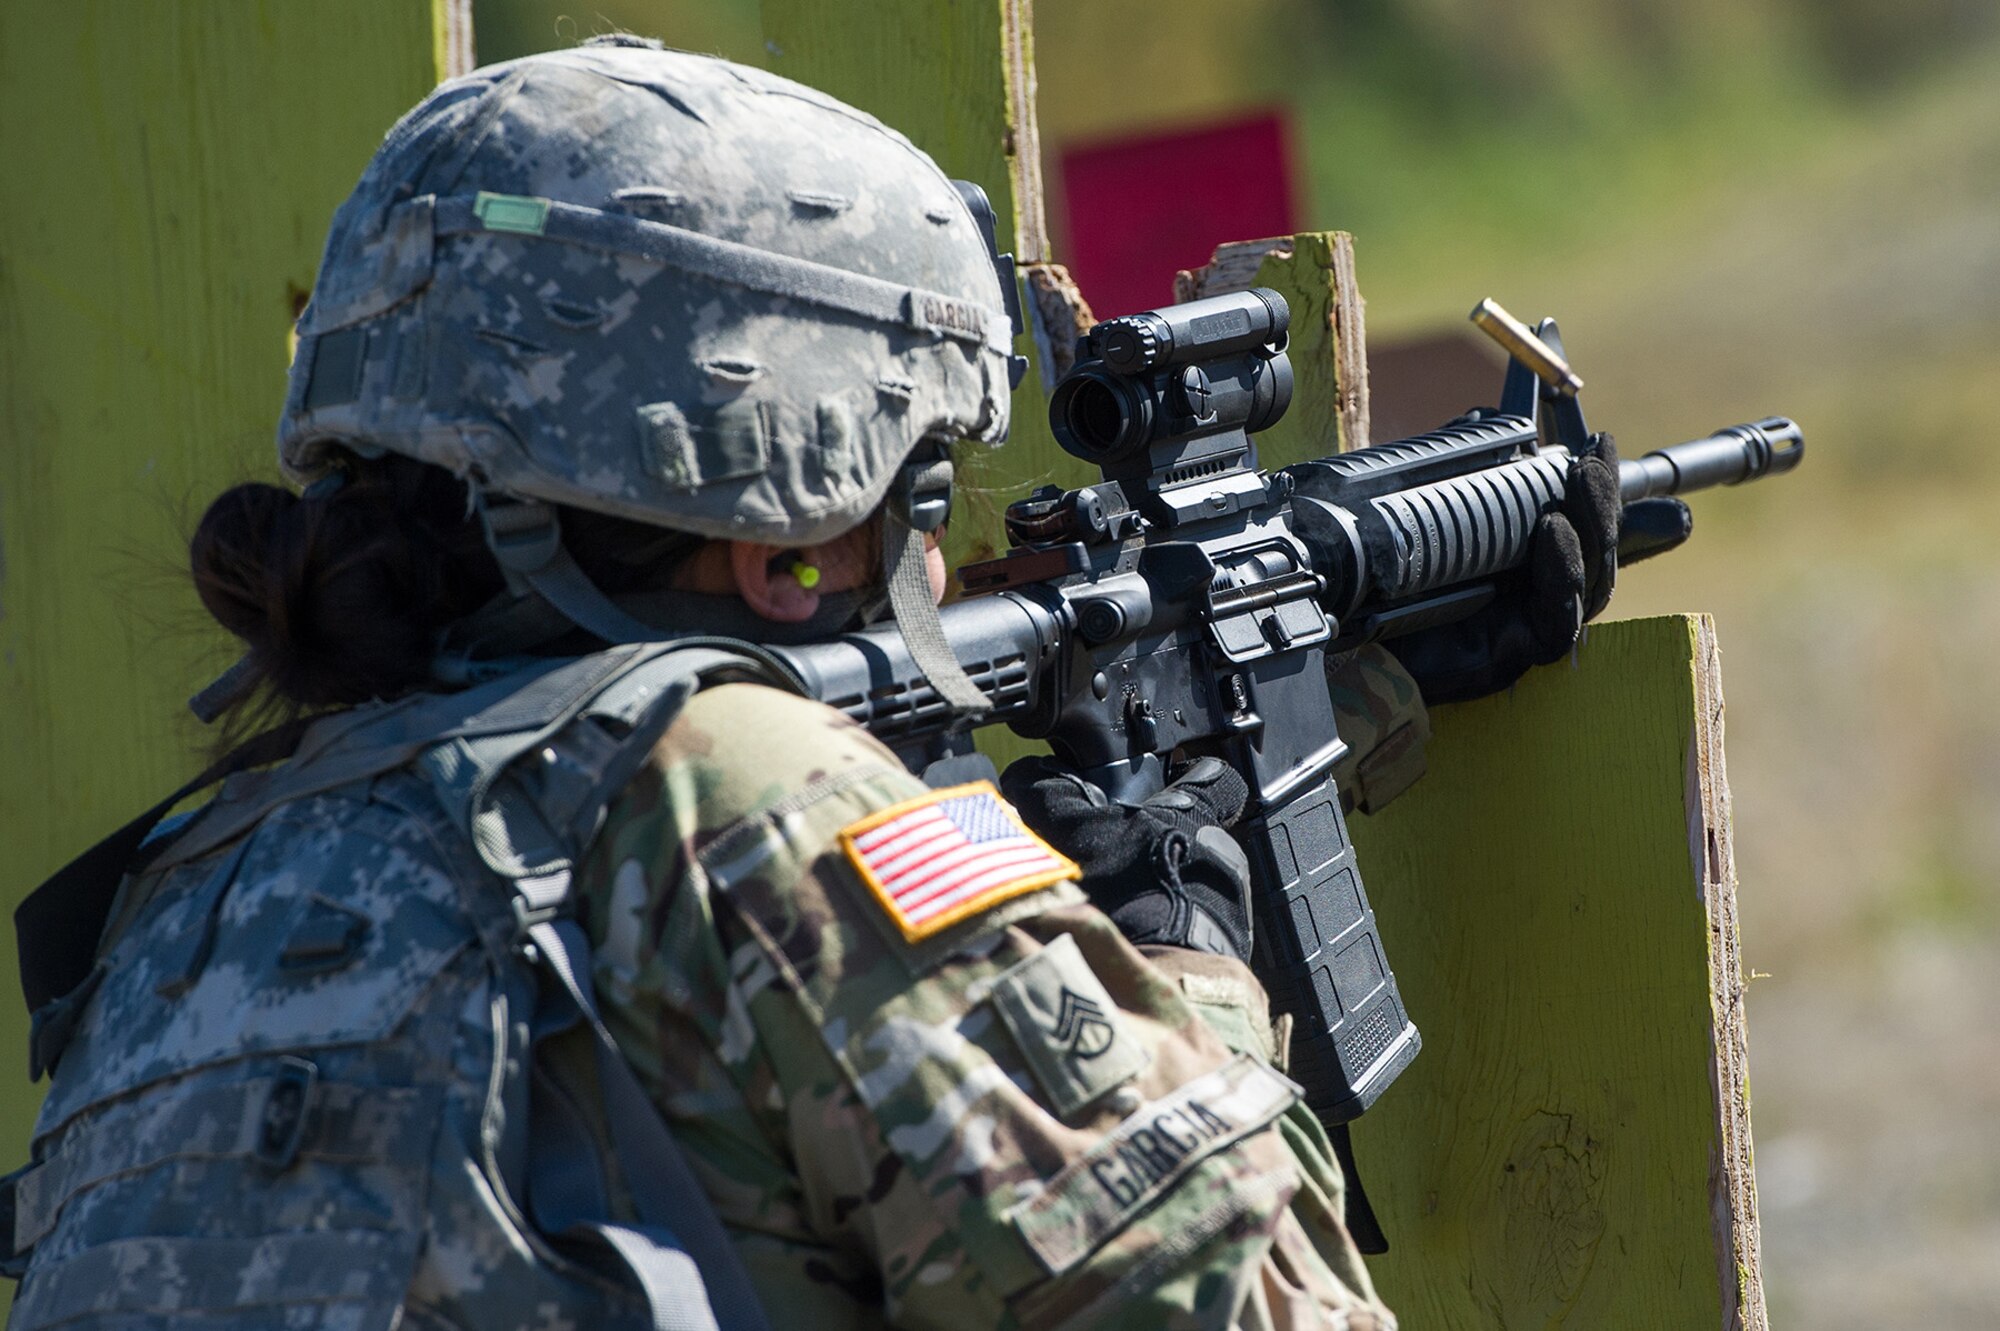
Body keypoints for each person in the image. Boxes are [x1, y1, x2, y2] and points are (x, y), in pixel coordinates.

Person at [2, 38, 1622, 1331]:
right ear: (788, 554)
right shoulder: (738, 810)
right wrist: (1182, 951)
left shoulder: (180, 906)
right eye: (924, 502)